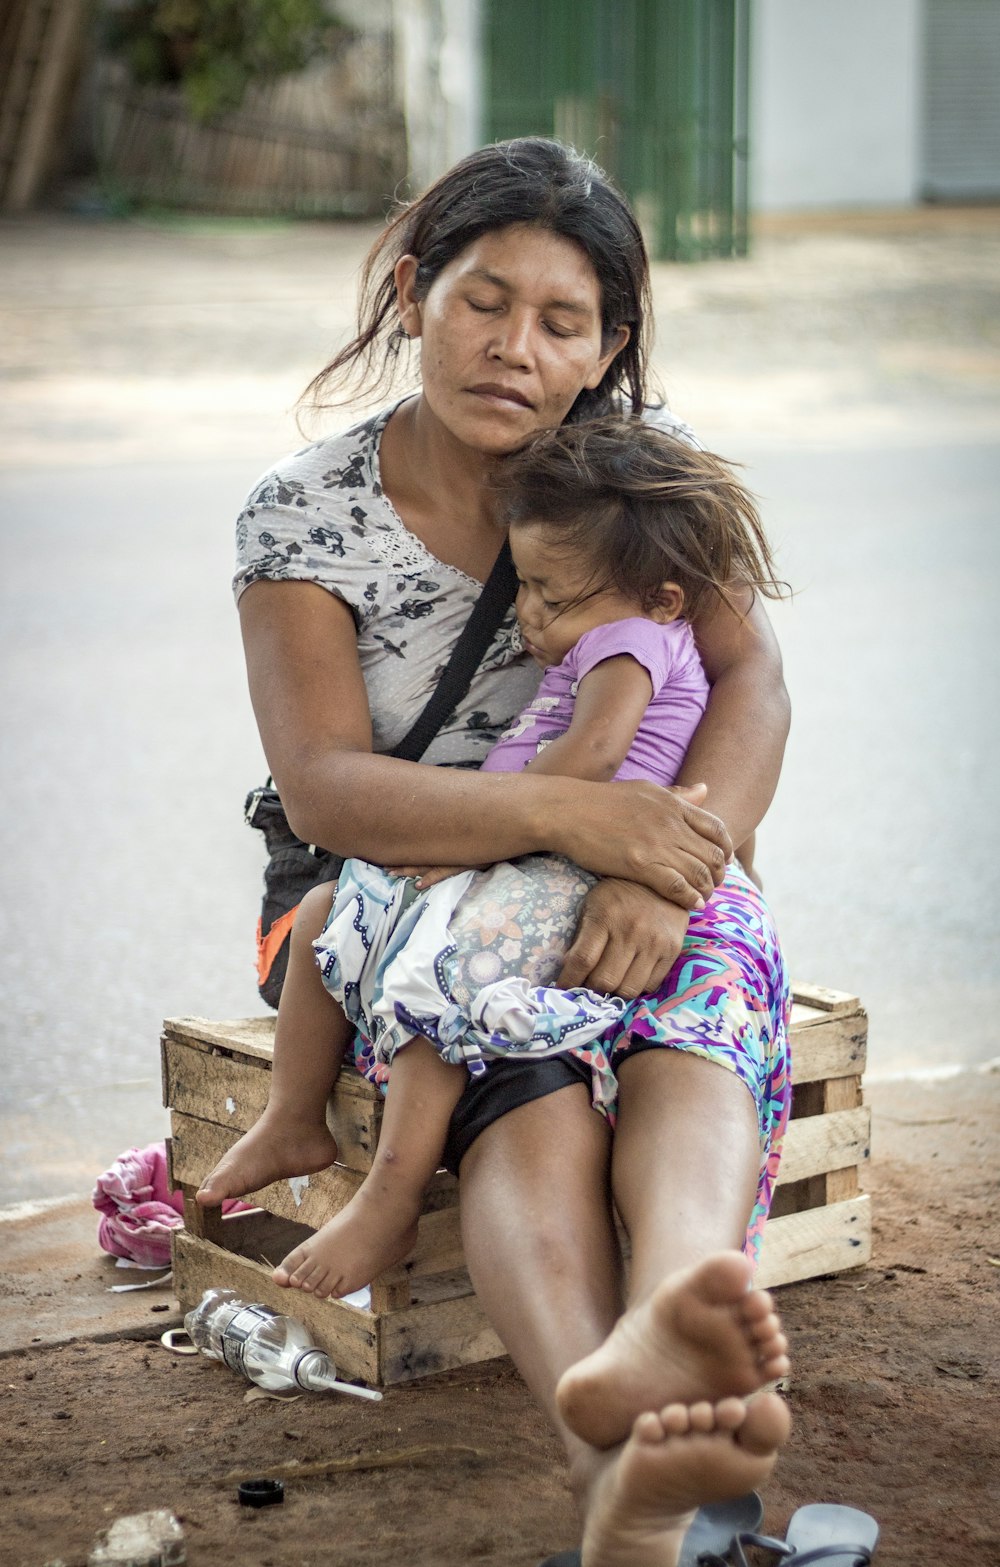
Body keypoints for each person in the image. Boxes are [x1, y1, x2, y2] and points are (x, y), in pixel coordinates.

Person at [198, 138, 793, 1566]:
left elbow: (753, 686)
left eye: (562, 320)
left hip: (647, 869)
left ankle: (669, 1340)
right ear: (414, 293)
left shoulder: (640, 484)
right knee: (524, 1089)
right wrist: (570, 819)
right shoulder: (306, 515)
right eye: (484, 299)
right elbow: (330, 787)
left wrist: (666, 871)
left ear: (610, 346)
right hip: (399, 900)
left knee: (692, 1044)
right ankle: (624, 1476)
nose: (514, 348)